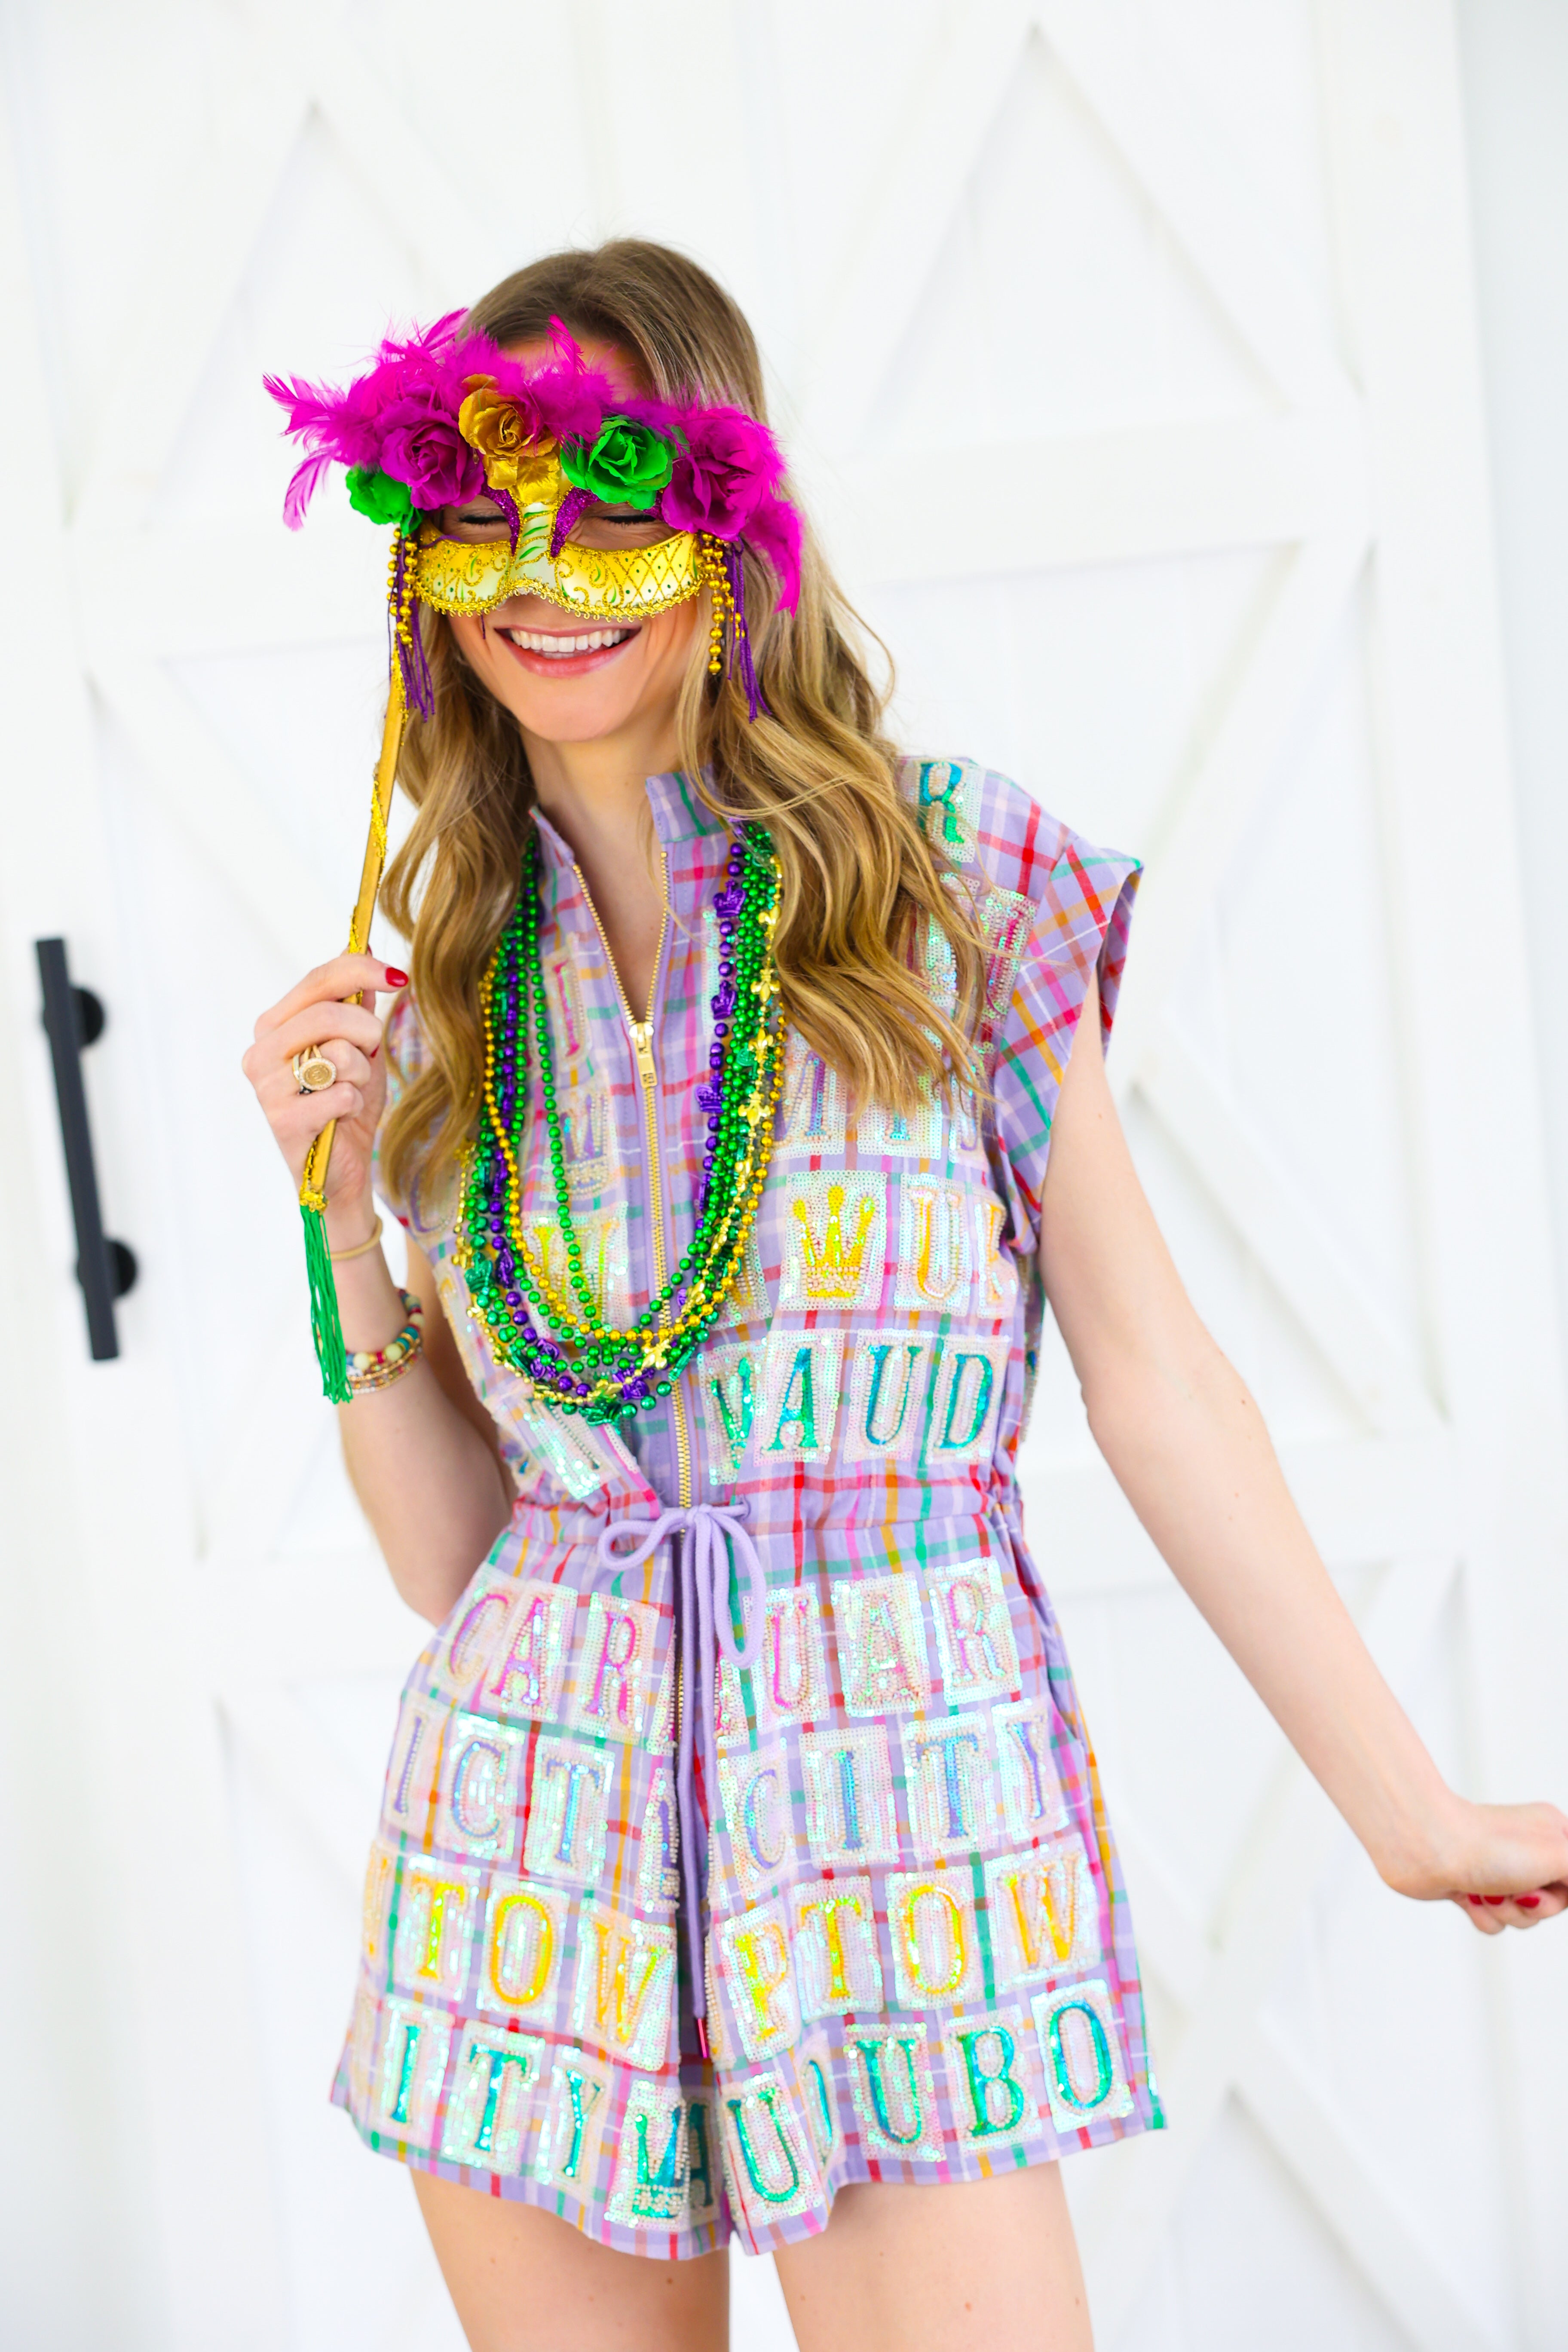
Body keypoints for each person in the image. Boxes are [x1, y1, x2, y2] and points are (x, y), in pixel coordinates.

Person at [242, 241, 1568, 2352]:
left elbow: (1158, 1383)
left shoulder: (956, 888)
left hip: (899, 1827)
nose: (548, 570)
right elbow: (455, 1563)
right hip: (530, 1855)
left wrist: (1408, 1811)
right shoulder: (447, 988)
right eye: (489, 507)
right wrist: (336, 1220)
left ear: (731, 521)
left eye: (607, 494)